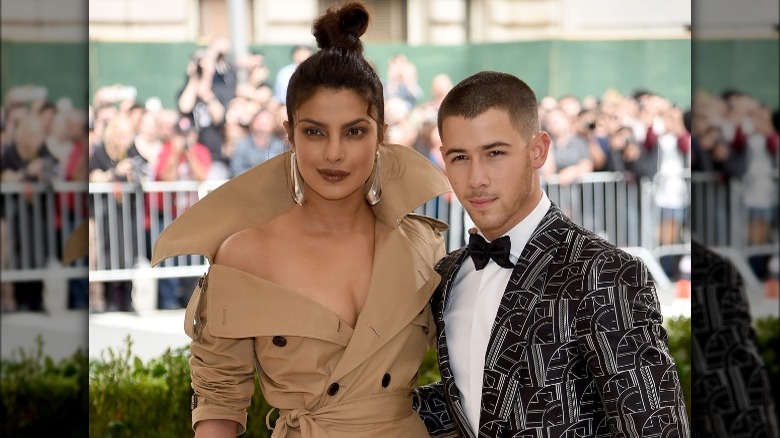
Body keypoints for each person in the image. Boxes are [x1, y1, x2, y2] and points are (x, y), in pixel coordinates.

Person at [152, 2, 451, 436]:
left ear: (380, 134)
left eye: (354, 131)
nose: (334, 153)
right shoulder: (243, 254)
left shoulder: (423, 246)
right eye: (314, 131)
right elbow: (219, 402)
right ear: (289, 133)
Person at [415, 71, 689, 437]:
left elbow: (655, 427)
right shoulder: (448, 275)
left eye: (494, 153)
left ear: (538, 151)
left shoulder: (603, 272)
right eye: (459, 157)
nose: (476, 177)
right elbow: (475, 398)